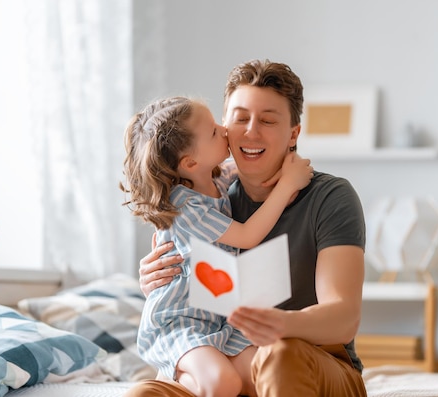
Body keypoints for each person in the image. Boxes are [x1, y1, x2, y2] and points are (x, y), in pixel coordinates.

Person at [125, 59, 368, 397]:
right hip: (232, 354)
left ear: (294, 134)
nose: (251, 132)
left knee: (280, 355)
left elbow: (343, 319)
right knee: (142, 394)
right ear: (224, 127)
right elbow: (186, 263)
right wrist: (156, 277)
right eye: (240, 119)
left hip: (311, 359)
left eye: (268, 120)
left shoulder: (330, 196)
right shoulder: (213, 196)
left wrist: (280, 325)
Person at [120, 96, 313, 397]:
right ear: (190, 163)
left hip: (216, 320)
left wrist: (281, 168)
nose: (224, 130)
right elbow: (248, 235)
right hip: (180, 322)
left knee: (262, 373)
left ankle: (183, 377)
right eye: (212, 131)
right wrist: (288, 184)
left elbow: (254, 178)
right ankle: (174, 377)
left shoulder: (217, 179)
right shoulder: (187, 207)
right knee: (223, 384)